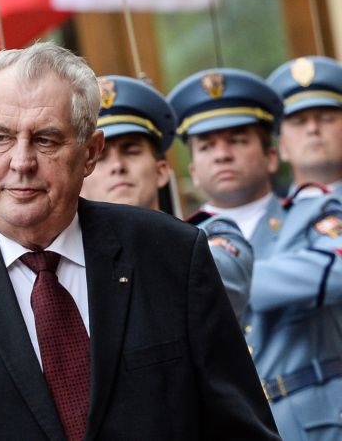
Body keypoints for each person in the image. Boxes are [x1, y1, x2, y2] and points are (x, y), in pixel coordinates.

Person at [0, 43, 278, 440]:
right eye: (1, 138)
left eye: (46, 140)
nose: (21, 163)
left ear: (90, 152)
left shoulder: (171, 254)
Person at [169, 68, 342, 440]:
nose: (222, 154)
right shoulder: (178, 239)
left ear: (271, 156)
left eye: (237, 140)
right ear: (193, 171)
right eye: (207, 146)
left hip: (320, 420)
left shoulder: (313, 210)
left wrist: (213, 280)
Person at [82, 75, 252, 321]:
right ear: (81, 181)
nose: (118, 166)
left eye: (131, 151)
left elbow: (216, 279)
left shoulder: (212, 233)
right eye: (102, 157)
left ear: (161, 171)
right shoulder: (68, 258)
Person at [267, 56, 342, 196]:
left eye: (326, 118)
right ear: (282, 146)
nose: (313, 129)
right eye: (299, 122)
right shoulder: (273, 210)